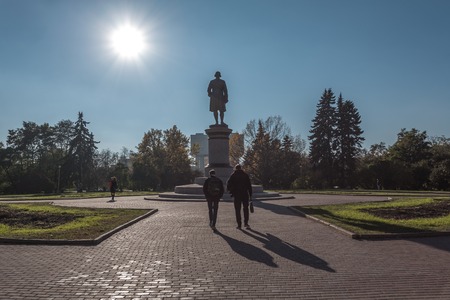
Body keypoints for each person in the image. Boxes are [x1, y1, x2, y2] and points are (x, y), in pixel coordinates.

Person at [227, 164, 253, 229]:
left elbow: (228, 185)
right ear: (241, 168)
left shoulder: (233, 175)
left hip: (237, 195)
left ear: (235, 168)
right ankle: (246, 223)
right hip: (245, 194)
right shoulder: (245, 175)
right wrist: (250, 195)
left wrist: (232, 192)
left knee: (237, 210)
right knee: (246, 209)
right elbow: (249, 186)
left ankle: (239, 225)